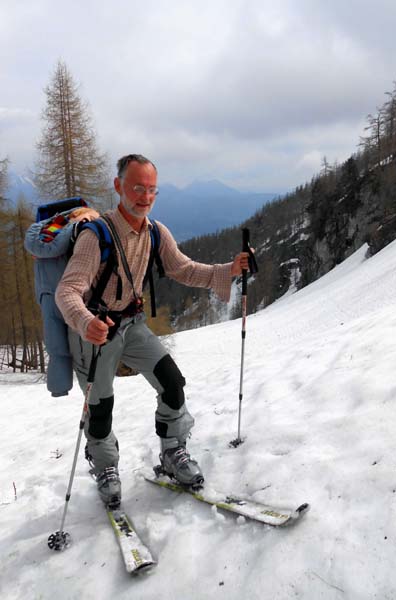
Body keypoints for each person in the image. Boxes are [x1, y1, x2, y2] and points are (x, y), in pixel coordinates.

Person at [55, 154, 252, 508]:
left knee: (172, 383)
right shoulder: (95, 236)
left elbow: (185, 270)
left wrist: (229, 270)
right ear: (118, 187)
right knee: (100, 408)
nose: (145, 196)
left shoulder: (155, 232)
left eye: (151, 189)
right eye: (137, 188)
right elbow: (66, 291)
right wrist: (86, 322)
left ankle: (173, 452)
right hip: (94, 333)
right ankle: (105, 467)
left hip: (131, 324)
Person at [24, 205, 99, 397]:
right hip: (73, 294)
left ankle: (60, 386)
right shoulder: (77, 229)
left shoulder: (41, 231)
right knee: (84, 346)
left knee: (56, 343)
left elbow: (43, 249)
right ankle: (94, 390)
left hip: (47, 294)